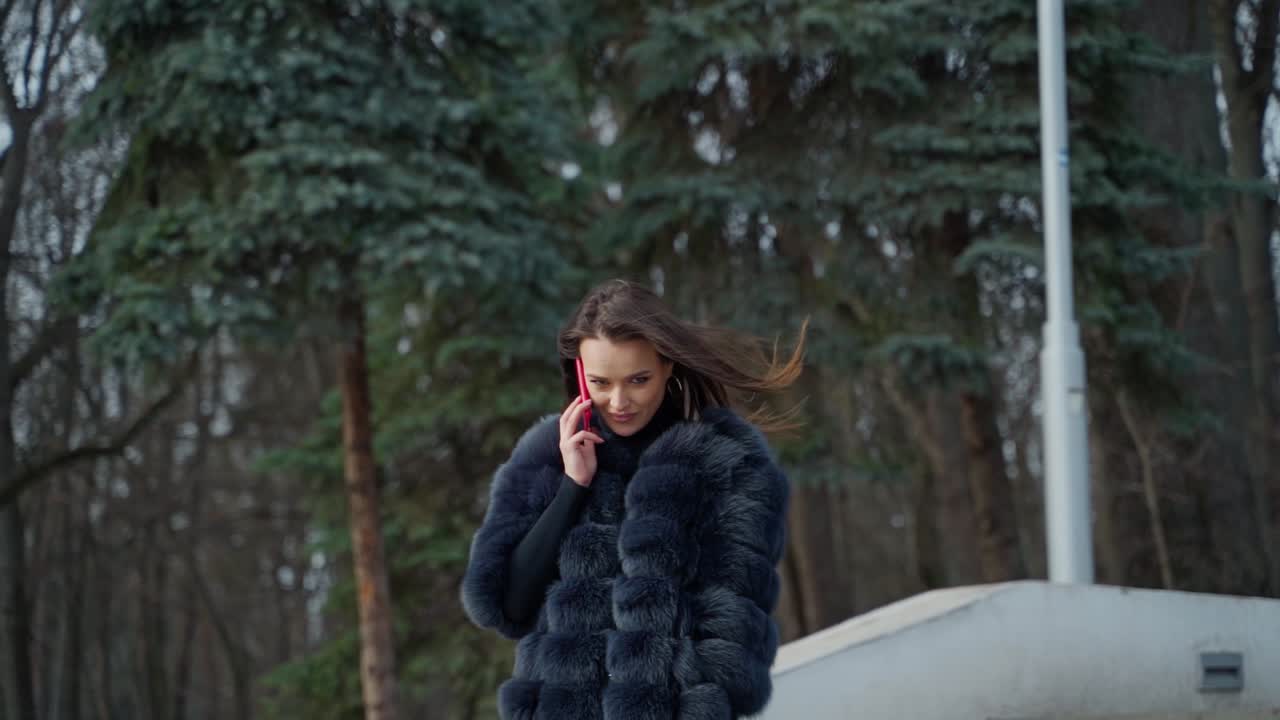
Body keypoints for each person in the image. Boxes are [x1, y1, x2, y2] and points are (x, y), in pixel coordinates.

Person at [461, 278, 807, 720]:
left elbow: (732, 635)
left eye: (638, 380)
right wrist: (573, 488)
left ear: (667, 365)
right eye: (602, 382)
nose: (619, 401)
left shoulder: (726, 461)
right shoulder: (546, 455)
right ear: (580, 374)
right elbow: (504, 605)